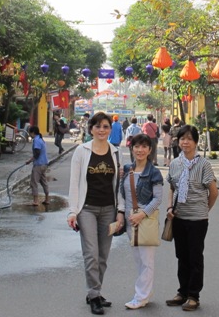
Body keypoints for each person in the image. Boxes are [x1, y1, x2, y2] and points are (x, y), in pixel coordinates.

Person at [67, 112, 124, 316]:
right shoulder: (81, 151)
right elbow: (74, 183)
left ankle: (95, 291)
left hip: (109, 209)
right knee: (91, 254)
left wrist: (120, 211)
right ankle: (94, 296)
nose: (101, 130)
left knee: (103, 256)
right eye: (98, 126)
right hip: (87, 209)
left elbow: (119, 185)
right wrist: (73, 211)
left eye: (105, 126)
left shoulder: (116, 152)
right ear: (91, 129)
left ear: (110, 129)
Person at [165, 125, 218, 312]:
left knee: (195, 257)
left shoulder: (203, 165)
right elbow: (172, 188)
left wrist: (204, 210)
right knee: (182, 256)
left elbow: (213, 192)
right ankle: (183, 292)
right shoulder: (175, 164)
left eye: (189, 139)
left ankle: (194, 295)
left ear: (195, 142)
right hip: (179, 217)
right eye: (182, 139)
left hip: (198, 219)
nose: (185, 142)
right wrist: (169, 207)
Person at [118, 133, 163, 309]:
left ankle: (141, 297)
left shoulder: (154, 172)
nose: (140, 150)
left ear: (150, 150)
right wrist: (121, 213)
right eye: (137, 146)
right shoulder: (127, 169)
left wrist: (142, 214)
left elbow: (157, 199)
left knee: (146, 261)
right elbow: (121, 193)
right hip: (130, 221)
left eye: (144, 146)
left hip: (145, 221)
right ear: (132, 149)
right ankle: (146, 292)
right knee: (139, 260)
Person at [26, 126, 49, 206]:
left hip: (38, 164)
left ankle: (35, 201)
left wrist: (29, 160)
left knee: (34, 182)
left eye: (30, 133)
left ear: (33, 133)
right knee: (44, 182)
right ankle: (47, 199)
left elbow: (37, 153)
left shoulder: (36, 140)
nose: (29, 135)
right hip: (44, 164)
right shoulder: (40, 139)